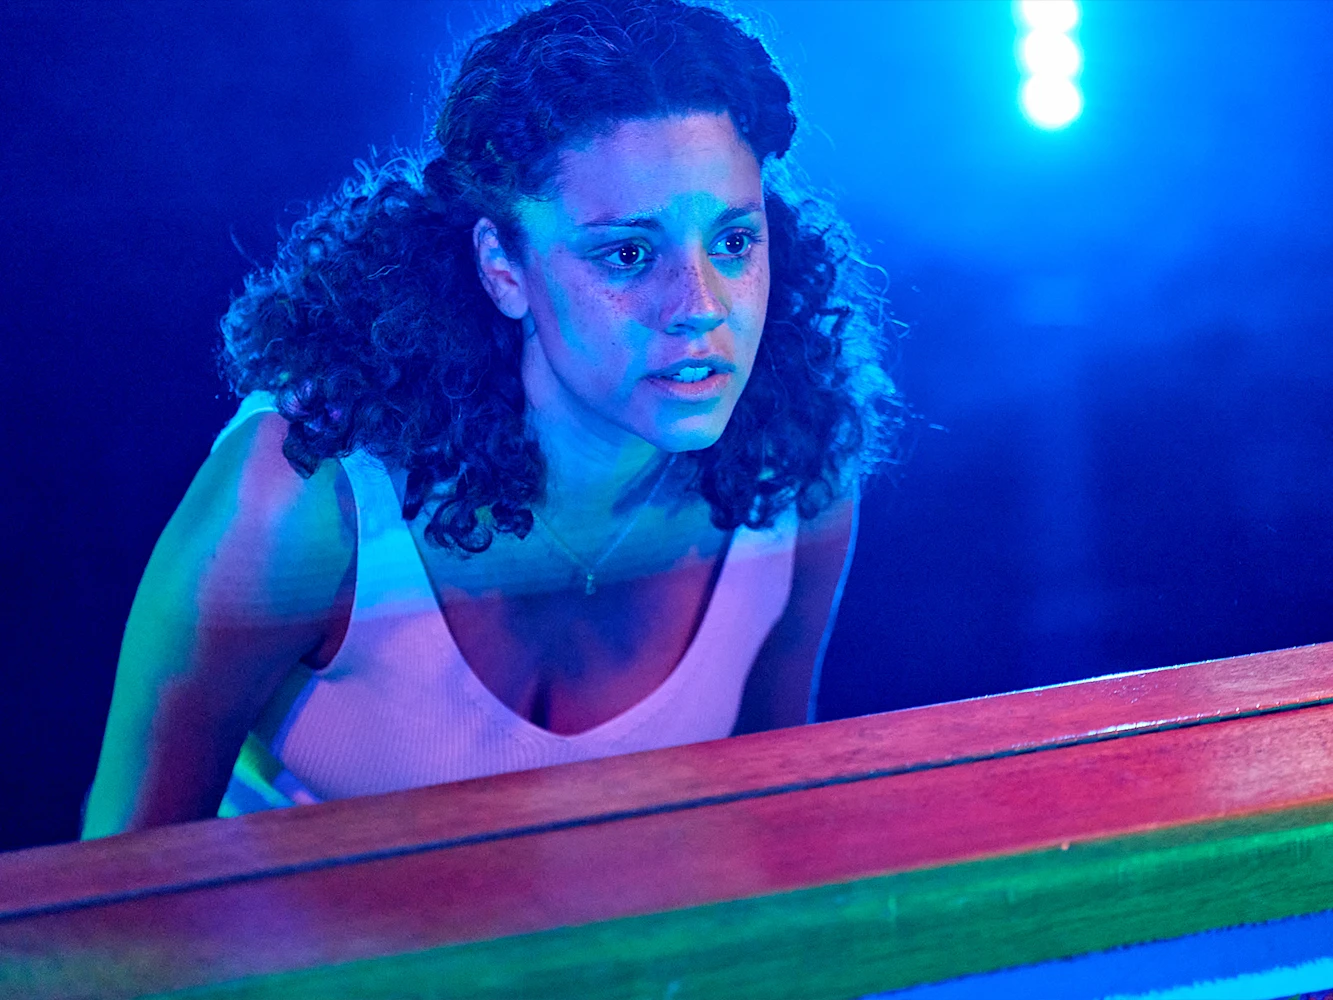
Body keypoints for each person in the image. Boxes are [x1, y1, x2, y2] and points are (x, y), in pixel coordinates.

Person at [82, 0, 899, 837]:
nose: (701, 306)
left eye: (732, 243)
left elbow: (767, 823)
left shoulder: (796, 470)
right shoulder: (300, 500)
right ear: (503, 267)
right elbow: (118, 877)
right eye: (628, 253)